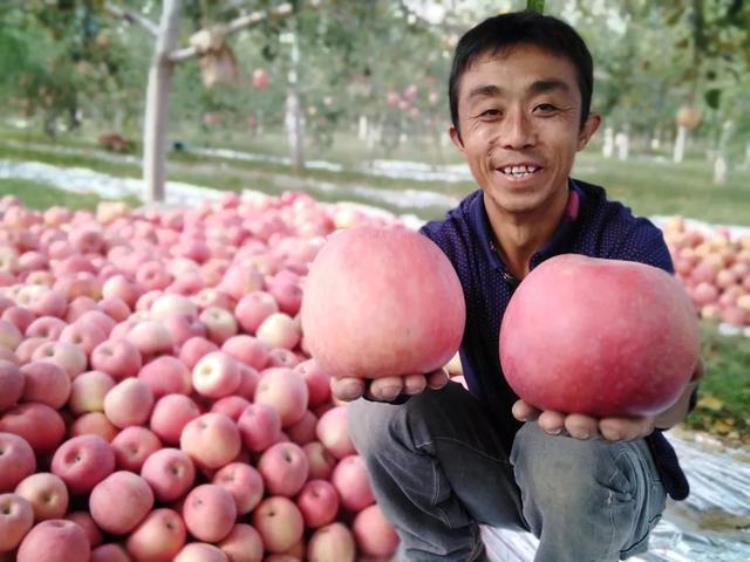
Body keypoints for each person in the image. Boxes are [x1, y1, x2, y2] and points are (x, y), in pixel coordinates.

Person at [331, 10, 703, 562]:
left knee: (561, 448)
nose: (518, 135)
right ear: (460, 137)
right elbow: (381, 336)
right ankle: (445, 553)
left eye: (546, 107)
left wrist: (656, 410)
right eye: (489, 112)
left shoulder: (628, 248)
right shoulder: (438, 252)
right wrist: (362, 341)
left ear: (585, 128)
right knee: (378, 406)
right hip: (495, 466)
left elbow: (678, 392)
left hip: (607, 485)